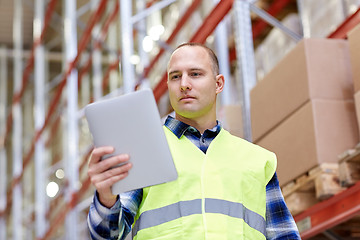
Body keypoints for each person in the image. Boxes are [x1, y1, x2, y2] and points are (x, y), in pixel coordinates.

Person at [87, 43, 301, 240]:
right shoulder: (143, 150)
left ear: (218, 84)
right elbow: (109, 235)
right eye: (175, 77)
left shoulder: (258, 160)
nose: (184, 85)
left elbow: (284, 235)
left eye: (195, 74)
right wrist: (106, 198)